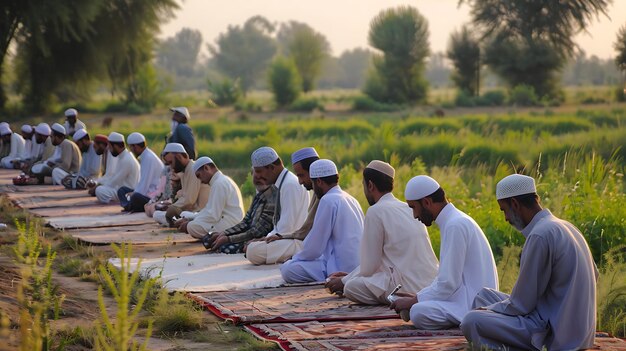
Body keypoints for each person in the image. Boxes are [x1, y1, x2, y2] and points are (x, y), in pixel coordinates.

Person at [461, 174, 598, 351]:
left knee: (471, 321)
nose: (506, 218)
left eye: (504, 210)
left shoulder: (540, 235)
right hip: (576, 329)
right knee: (483, 296)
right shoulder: (567, 226)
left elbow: (521, 304)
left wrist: (487, 311)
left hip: (553, 332)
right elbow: (596, 274)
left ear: (515, 204)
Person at [390, 175, 498, 330]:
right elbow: (448, 280)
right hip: (466, 298)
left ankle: (470, 322)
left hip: (473, 305)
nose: (414, 215)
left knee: (418, 312)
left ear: (426, 202)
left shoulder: (455, 225)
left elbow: (448, 284)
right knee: (419, 306)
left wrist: (415, 301)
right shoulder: (454, 221)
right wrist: (418, 297)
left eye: (413, 207)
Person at [326, 161, 439, 305]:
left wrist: (344, 281)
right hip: (430, 284)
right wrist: (350, 275)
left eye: (364, 185)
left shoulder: (376, 211)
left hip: (406, 286)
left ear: (370, 185)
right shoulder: (408, 208)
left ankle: (401, 299)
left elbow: (369, 268)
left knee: (351, 287)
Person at [280, 159, 364, 283]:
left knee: (288, 269)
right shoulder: (351, 199)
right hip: (358, 267)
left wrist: (294, 258)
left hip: (340, 268)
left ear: (319, 182)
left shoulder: (328, 200)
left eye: (313, 184)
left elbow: (315, 247)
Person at [246, 147, 319, 265]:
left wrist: (265, 240)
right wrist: (266, 238)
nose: (257, 176)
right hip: (289, 238)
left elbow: (288, 227)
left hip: (295, 240)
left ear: (272, 168)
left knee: (253, 251)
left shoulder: (289, 184)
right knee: (253, 247)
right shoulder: (283, 183)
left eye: (259, 171)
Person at [203, 170, 276, 253]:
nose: (257, 178)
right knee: (208, 238)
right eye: (255, 174)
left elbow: (257, 232)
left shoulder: (272, 197)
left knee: (224, 247)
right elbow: (245, 222)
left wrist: (229, 239)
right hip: (248, 233)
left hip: (259, 237)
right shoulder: (259, 195)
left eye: (261, 173)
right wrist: (225, 233)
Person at [176, 156, 244, 239]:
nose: (200, 180)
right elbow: (211, 211)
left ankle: (214, 236)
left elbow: (212, 215)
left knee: (191, 227)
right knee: (186, 216)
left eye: (199, 176)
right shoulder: (221, 180)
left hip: (230, 224)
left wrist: (190, 222)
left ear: (206, 168)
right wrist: (192, 218)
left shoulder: (219, 183)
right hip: (226, 220)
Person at [152, 143, 209, 226]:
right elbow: (182, 197)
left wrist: (172, 207)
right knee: (156, 214)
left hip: (199, 212)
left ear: (179, 157)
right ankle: (175, 221)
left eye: (171, 162)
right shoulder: (184, 172)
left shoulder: (193, 169)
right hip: (190, 211)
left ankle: (176, 222)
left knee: (178, 213)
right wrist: (175, 188)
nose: (171, 167)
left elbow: (189, 200)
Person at [117, 133, 164, 212]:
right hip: (146, 191)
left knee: (135, 197)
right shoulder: (145, 155)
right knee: (122, 190)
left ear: (135, 146)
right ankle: (130, 205)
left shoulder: (148, 158)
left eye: (131, 147)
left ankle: (130, 205)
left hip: (153, 195)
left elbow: (145, 182)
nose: (131, 150)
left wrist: (134, 193)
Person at [93, 132, 140, 203]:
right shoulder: (122, 157)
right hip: (121, 188)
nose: (108, 148)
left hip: (127, 191)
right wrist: (99, 183)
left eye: (109, 146)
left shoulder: (126, 159)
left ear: (115, 146)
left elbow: (115, 181)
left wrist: (98, 186)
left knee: (99, 190)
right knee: (100, 189)